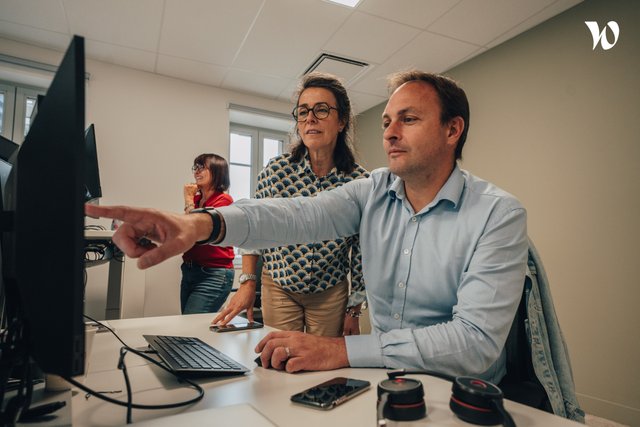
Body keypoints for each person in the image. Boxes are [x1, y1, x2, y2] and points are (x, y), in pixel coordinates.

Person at [85, 70, 528, 384]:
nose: (390, 132)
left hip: (464, 394)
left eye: (408, 120)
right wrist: (200, 224)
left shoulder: (498, 214)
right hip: (391, 378)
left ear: (453, 130)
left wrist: (340, 349)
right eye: (388, 121)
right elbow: (297, 215)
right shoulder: (374, 189)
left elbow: (474, 344)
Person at [213, 72, 369, 337]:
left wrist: (354, 310)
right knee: (281, 358)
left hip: (329, 292)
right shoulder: (276, 171)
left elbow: (362, 251)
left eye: (321, 110)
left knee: (324, 365)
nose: (310, 118)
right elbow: (253, 229)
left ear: (341, 120)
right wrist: (248, 284)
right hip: (279, 286)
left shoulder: (359, 181)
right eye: (303, 111)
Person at [179, 153, 235, 314]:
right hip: (189, 270)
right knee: (188, 323)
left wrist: (188, 200)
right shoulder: (197, 201)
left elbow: (196, 228)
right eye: (195, 167)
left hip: (214, 273)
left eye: (202, 167)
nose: (196, 171)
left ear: (218, 172)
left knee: (190, 325)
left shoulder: (224, 201)